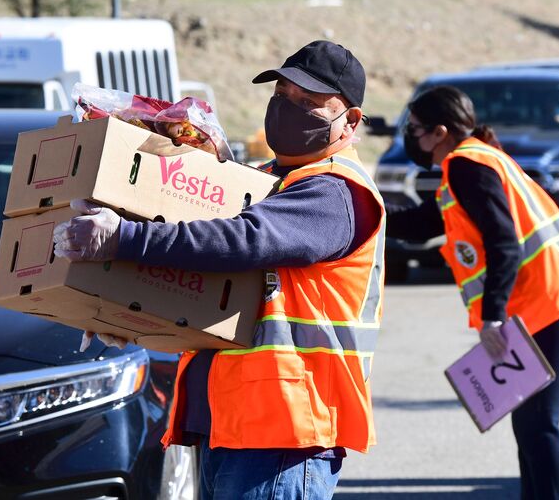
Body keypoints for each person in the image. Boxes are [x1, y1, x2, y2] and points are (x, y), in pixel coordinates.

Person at [52, 40, 386, 500]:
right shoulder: (263, 181)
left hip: (286, 434)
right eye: (282, 96)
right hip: (229, 423)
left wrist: (121, 240)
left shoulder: (334, 193)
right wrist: (122, 315)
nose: (288, 109)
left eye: (308, 103)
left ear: (349, 121)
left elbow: (242, 241)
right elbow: (209, 288)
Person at [388, 86, 559, 500]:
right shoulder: (475, 160)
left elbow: (504, 243)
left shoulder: (467, 165)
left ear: (440, 132)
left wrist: (492, 315)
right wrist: (365, 209)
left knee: (539, 423)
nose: (411, 138)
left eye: (415, 129)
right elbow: (424, 222)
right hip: (552, 301)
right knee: (529, 424)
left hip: (552, 303)